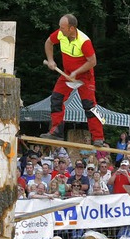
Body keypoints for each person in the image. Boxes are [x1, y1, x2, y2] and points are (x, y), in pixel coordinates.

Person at [40, 14, 104, 146]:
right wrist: (51, 60)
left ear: (71, 28)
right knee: (56, 98)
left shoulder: (84, 41)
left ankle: (98, 137)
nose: (60, 30)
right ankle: (56, 131)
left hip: (85, 76)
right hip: (67, 74)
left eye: (62, 27)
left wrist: (76, 72)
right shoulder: (60, 34)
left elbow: (92, 62)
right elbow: (48, 42)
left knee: (89, 105)